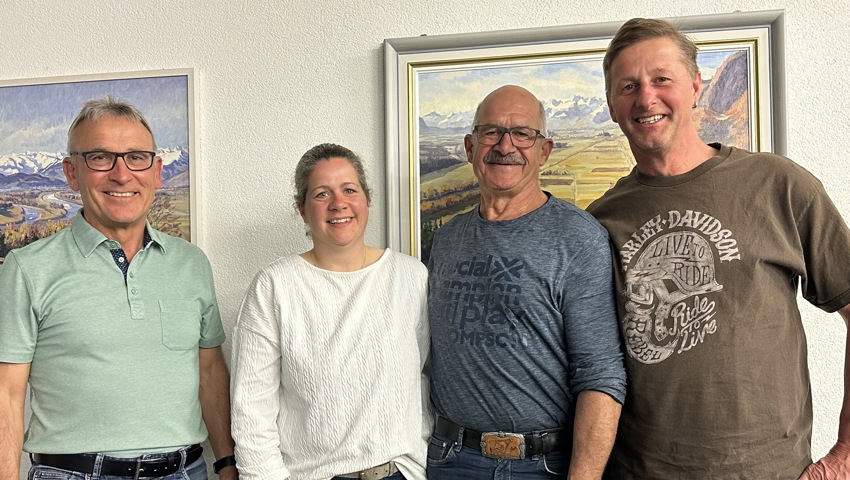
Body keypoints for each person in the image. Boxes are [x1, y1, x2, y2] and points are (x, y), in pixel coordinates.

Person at [586, 17, 850, 479]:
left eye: (661, 79)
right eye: (628, 86)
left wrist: (844, 456)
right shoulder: (600, 221)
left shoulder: (779, 185)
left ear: (694, 86)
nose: (646, 98)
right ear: (611, 105)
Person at [0, 95, 237, 479]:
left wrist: (227, 463)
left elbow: (209, 370)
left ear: (158, 171)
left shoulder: (191, 264)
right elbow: (6, 395)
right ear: (71, 172)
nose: (122, 174)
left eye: (136, 157)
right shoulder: (27, 269)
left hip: (185, 471)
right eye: (99, 157)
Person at [425, 85, 627, 479]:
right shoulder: (447, 240)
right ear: (470, 147)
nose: (505, 145)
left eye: (522, 133)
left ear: (544, 150)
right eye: (491, 132)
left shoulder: (578, 238)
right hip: (449, 460)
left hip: (543, 466)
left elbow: (600, 372)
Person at [229, 143, 431, 480]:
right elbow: (251, 411)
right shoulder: (274, 286)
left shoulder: (412, 277)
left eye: (349, 190)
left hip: (402, 472)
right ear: (302, 210)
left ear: (366, 199)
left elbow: (428, 379)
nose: (339, 204)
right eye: (322, 194)